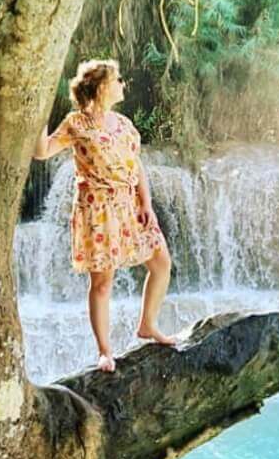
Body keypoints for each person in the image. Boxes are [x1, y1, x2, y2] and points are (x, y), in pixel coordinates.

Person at [33, 58, 175, 372]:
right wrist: (39, 110)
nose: (123, 84)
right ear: (101, 87)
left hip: (131, 205)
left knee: (161, 263)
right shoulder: (76, 123)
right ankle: (104, 351)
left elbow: (136, 167)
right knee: (102, 283)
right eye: (117, 80)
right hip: (97, 210)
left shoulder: (124, 125)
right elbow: (41, 151)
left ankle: (147, 325)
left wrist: (147, 205)